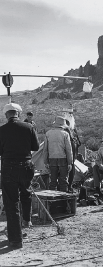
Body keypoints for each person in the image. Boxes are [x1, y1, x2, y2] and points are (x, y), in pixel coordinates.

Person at [0, 103, 39, 249]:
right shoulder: (29, 127)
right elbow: (35, 147)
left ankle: (15, 240)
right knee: (26, 192)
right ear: (18, 113)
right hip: (26, 165)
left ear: (6, 115)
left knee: (11, 203)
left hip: (9, 167)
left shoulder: (2, 130)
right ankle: (26, 220)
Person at [43, 116, 73, 192]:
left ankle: (52, 202)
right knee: (63, 181)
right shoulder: (65, 134)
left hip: (51, 159)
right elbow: (68, 149)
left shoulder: (48, 133)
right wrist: (70, 162)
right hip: (63, 159)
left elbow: (45, 149)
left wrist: (46, 161)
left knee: (53, 181)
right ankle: (63, 201)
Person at [63, 117, 81, 192]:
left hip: (71, 155)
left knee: (69, 172)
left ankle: (68, 187)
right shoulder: (67, 131)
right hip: (68, 155)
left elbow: (78, 143)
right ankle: (67, 187)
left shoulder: (71, 131)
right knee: (68, 172)